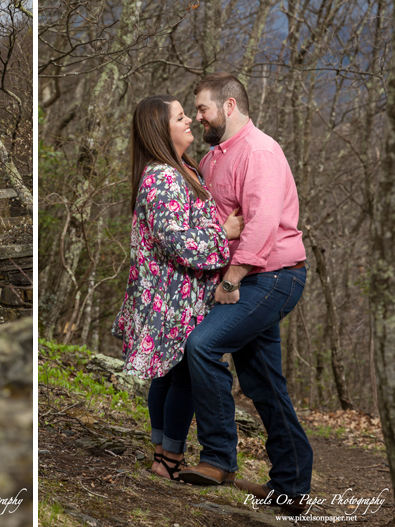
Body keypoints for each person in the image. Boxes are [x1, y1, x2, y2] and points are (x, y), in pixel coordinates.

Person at [176, 72, 312, 516]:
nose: (199, 117)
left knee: (202, 345)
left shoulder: (259, 151)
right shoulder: (216, 157)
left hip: (272, 277)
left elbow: (261, 223)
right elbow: (217, 223)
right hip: (249, 276)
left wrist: (230, 280)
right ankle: (291, 487)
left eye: (203, 109)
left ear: (229, 106)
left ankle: (218, 459)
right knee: (262, 380)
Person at [111, 95, 244, 480]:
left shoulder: (179, 169)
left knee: (169, 375)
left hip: (173, 294)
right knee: (182, 375)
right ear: (160, 129)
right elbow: (178, 241)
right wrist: (224, 233)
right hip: (172, 296)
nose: (189, 121)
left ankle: (161, 455)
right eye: (181, 117)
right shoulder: (165, 176)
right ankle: (168, 459)